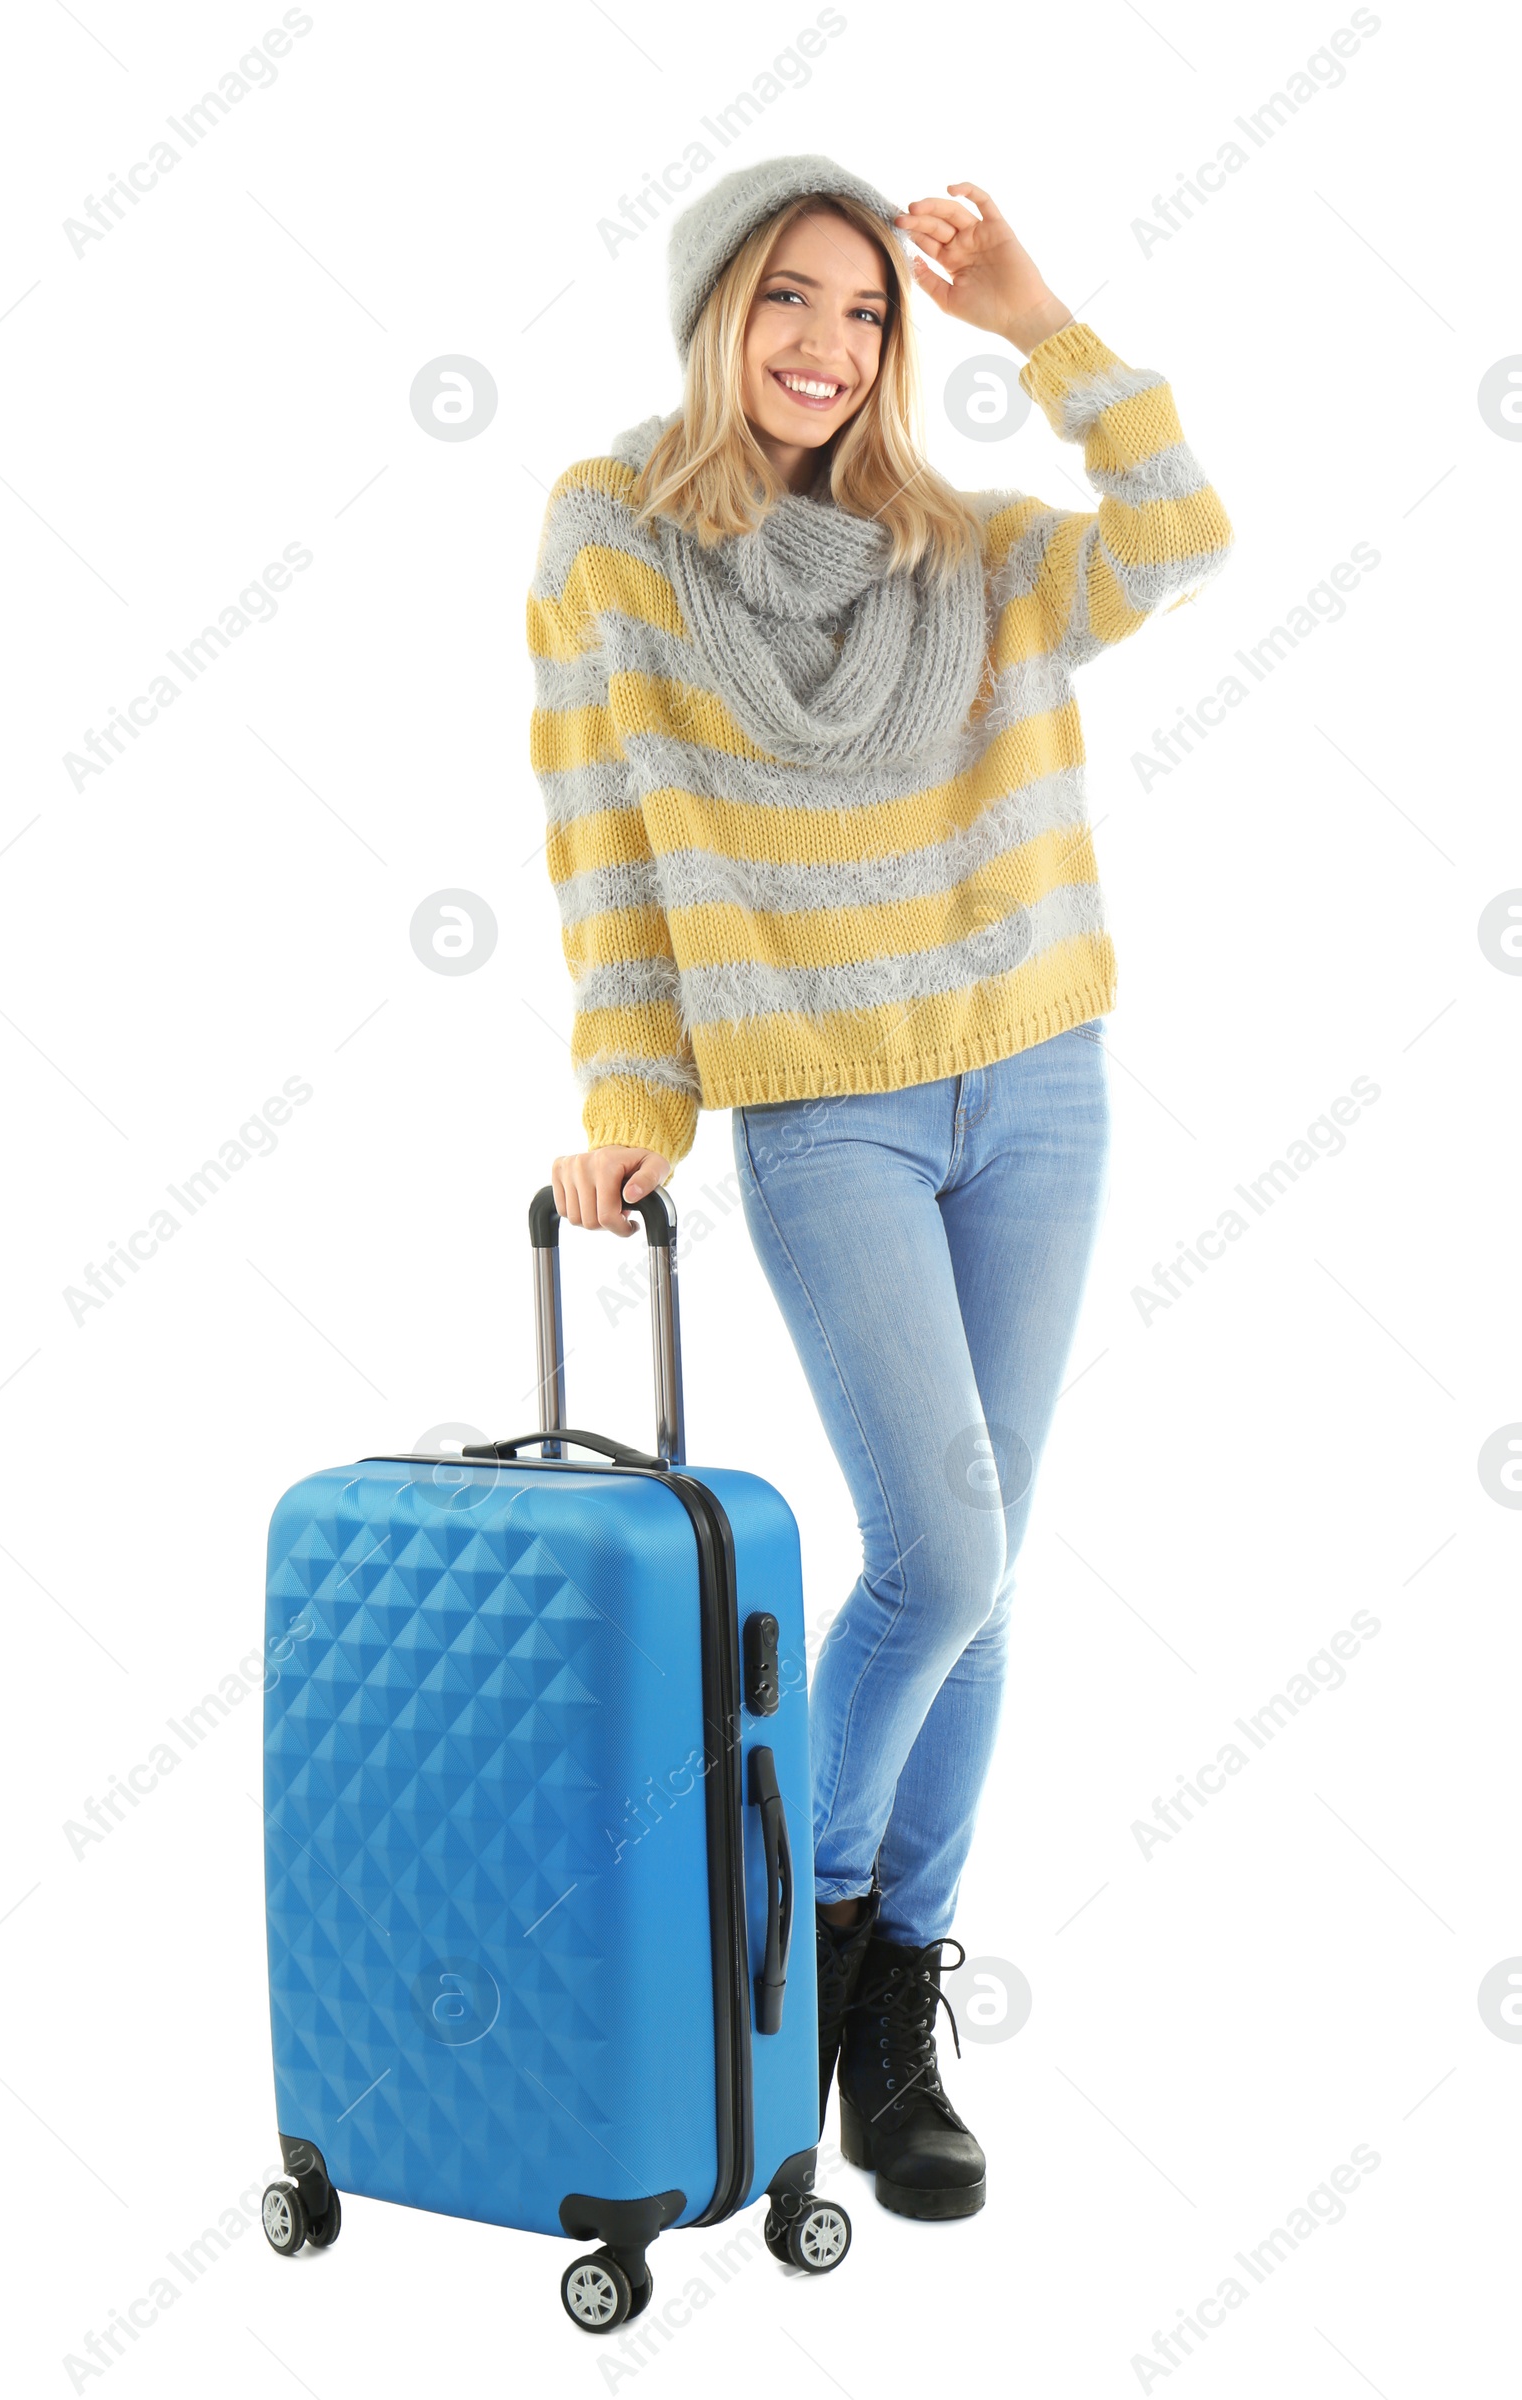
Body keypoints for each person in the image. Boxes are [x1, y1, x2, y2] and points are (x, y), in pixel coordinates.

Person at [526, 153, 1231, 2221]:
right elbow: (598, 837)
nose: (827, 345)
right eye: (784, 304)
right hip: (817, 1103)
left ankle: (879, 1985)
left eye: (860, 311)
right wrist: (625, 1082)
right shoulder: (612, 541)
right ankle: (815, 1929)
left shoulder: (969, 552)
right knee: (938, 1543)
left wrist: (1034, 318)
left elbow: (1182, 532)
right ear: (711, 321)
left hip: (1036, 1082)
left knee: (975, 1558)